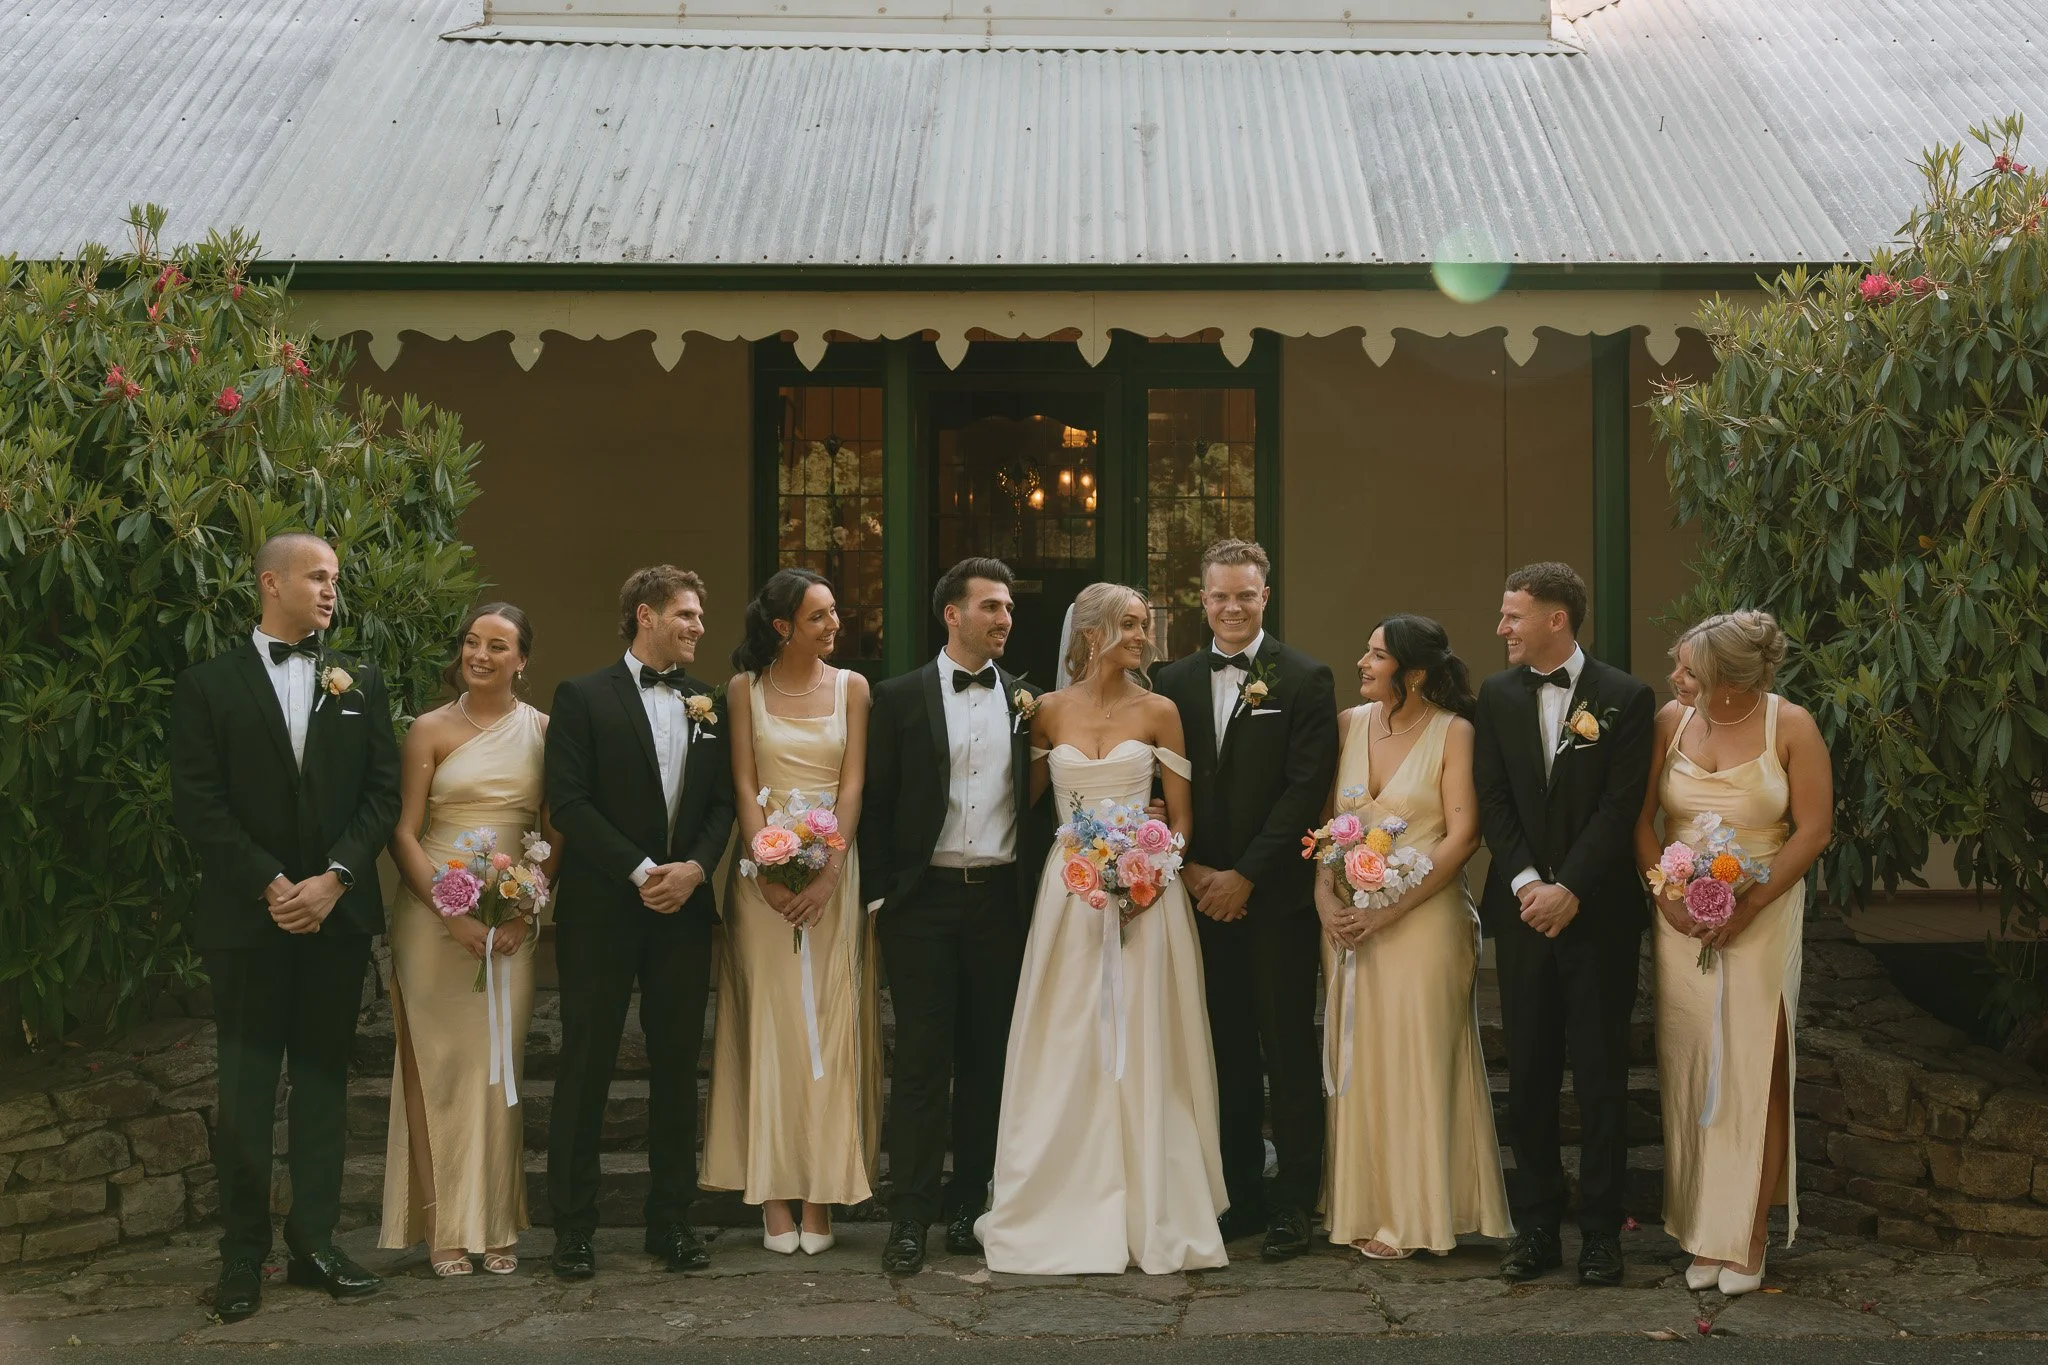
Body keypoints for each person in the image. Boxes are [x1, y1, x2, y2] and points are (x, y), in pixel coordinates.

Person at [169, 532, 400, 1322]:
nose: (332, 589)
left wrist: (334, 879)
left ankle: (316, 1242)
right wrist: (272, 883)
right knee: (245, 1087)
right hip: (249, 920)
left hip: (333, 920)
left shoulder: (359, 680)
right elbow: (199, 803)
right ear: (272, 582)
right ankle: (242, 1254)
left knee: (324, 1086)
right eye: (318, 575)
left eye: (336, 577)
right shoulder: (207, 685)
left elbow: (382, 796)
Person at [976, 583, 1227, 1275]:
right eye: (1130, 625)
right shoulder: (1046, 712)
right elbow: (1018, 804)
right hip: (1070, 894)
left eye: (1144, 625)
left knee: (1146, 1040)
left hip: (1149, 893)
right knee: (1066, 1036)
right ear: (1091, 633)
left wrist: (1151, 872)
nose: (1142, 637)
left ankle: (1152, 1203)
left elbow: (1180, 817)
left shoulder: (1161, 711)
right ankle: (1061, 1193)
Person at [544, 566, 735, 1278]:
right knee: (585, 1062)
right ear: (645, 615)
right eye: (686, 614)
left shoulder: (708, 703)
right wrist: (639, 870)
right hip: (601, 909)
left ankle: (672, 1221)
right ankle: (573, 1226)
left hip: (683, 911)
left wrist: (693, 869)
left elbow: (721, 805)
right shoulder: (582, 696)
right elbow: (568, 801)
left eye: (700, 617)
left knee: (679, 1066)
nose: (698, 627)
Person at [1152, 539, 1338, 1260]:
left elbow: (1304, 788)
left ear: (1267, 596)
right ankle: (1236, 1191)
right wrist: (1195, 869)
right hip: (1197, 897)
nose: (1232, 608)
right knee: (1221, 1048)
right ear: (1203, 598)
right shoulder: (1171, 678)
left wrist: (1246, 876)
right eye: (1220, 596)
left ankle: (1295, 1200)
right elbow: (1162, 785)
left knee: (1286, 1048)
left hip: (1276, 900)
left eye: (1246, 596)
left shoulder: (1305, 677)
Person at [1636, 611, 1831, 1296]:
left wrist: (1751, 901)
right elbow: (1642, 822)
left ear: (1726, 676)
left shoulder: (1792, 725)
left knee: (1756, 1068)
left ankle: (1747, 1235)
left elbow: (1813, 828)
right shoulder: (1669, 722)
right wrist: (1666, 895)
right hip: (1681, 918)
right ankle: (1701, 1228)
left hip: (1764, 912)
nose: (1675, 676)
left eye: (1687, 667)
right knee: (1692, 1062)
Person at [1471, 562, 1654, 1287]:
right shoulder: (1495, 695)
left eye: (1513, 615)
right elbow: (1493, 800)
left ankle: (1603, 1233)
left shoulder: (1626, 696)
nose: (1501, 627)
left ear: (1557, 618)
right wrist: (1527, 885)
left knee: (1603, 1073)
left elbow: (1621, 804)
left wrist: (1571, 885)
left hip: (1599, 913)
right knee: (1533, 1070)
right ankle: (1539, 1224)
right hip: (1523, 916)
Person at [862, 558, 1046, 1275]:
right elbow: (876, 802)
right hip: (922, 903)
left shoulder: (1030, 702)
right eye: (991, 606)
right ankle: (908, 1213)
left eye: (1007, 608)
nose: (1004, 619)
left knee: (986, 1059)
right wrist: (881, 897)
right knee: (919, 1060)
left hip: (1000, 900)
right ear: (952, 613)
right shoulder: (899, 697)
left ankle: (970, 1207)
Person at [1316, 616, 1512, 1259]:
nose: (1362, 663)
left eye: (1376, 655)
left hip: (1424, 921)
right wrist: (1325, 896)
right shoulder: (1347, 725)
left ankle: (1419, 1215)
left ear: (1415, 672)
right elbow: (1325, 828)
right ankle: (1365, 1206)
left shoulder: (1455, 733)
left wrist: (1392, 911)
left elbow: (1463, 837)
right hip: (1348, 924)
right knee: (1362, 1061)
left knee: (1419, 1061)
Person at [702, 569, 878, 1253]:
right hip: (761, 873)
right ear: (783, 627)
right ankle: (773, 1195)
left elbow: (853, 782)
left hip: (835, 867)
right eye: (819, 616)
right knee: (768, 1026)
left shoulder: (854, 689)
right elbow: (745, 783)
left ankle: (821, 1192)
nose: (834, 624)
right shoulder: (743, 690)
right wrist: (766, 867)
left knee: (830, 1025)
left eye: (834, 612)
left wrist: (830, 869)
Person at [379, 603, 556, 1276]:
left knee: (497, 1069)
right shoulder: (429, 729)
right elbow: (403, 829)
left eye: (498, 644)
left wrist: (524, 909)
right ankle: (444, 1224)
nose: (480, 653)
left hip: (512, 915)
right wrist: (447, 908)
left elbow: (553, 830)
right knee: (440, 1070)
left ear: (521, 661)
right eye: (472, 642)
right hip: (434, 916)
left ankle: (496, 1221)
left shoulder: (543, 731)